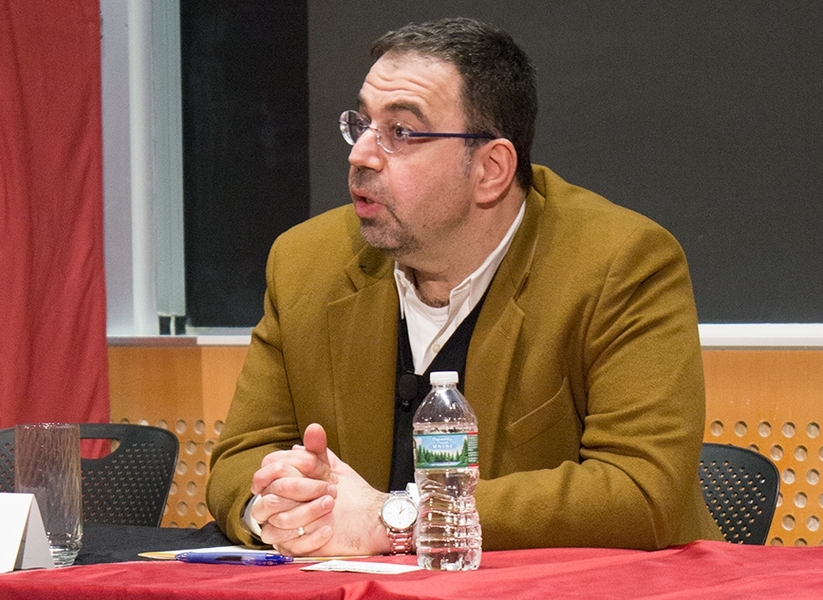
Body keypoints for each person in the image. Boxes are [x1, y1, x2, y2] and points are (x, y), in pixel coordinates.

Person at [206, 16, 724, 557]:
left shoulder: (622, 264)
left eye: (401, 132)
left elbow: (639, 493)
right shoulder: (304, 262)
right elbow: (244, 455)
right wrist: (280, 508)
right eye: (362, 124)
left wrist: (394, 519)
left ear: (491, 169)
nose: (360, 154)